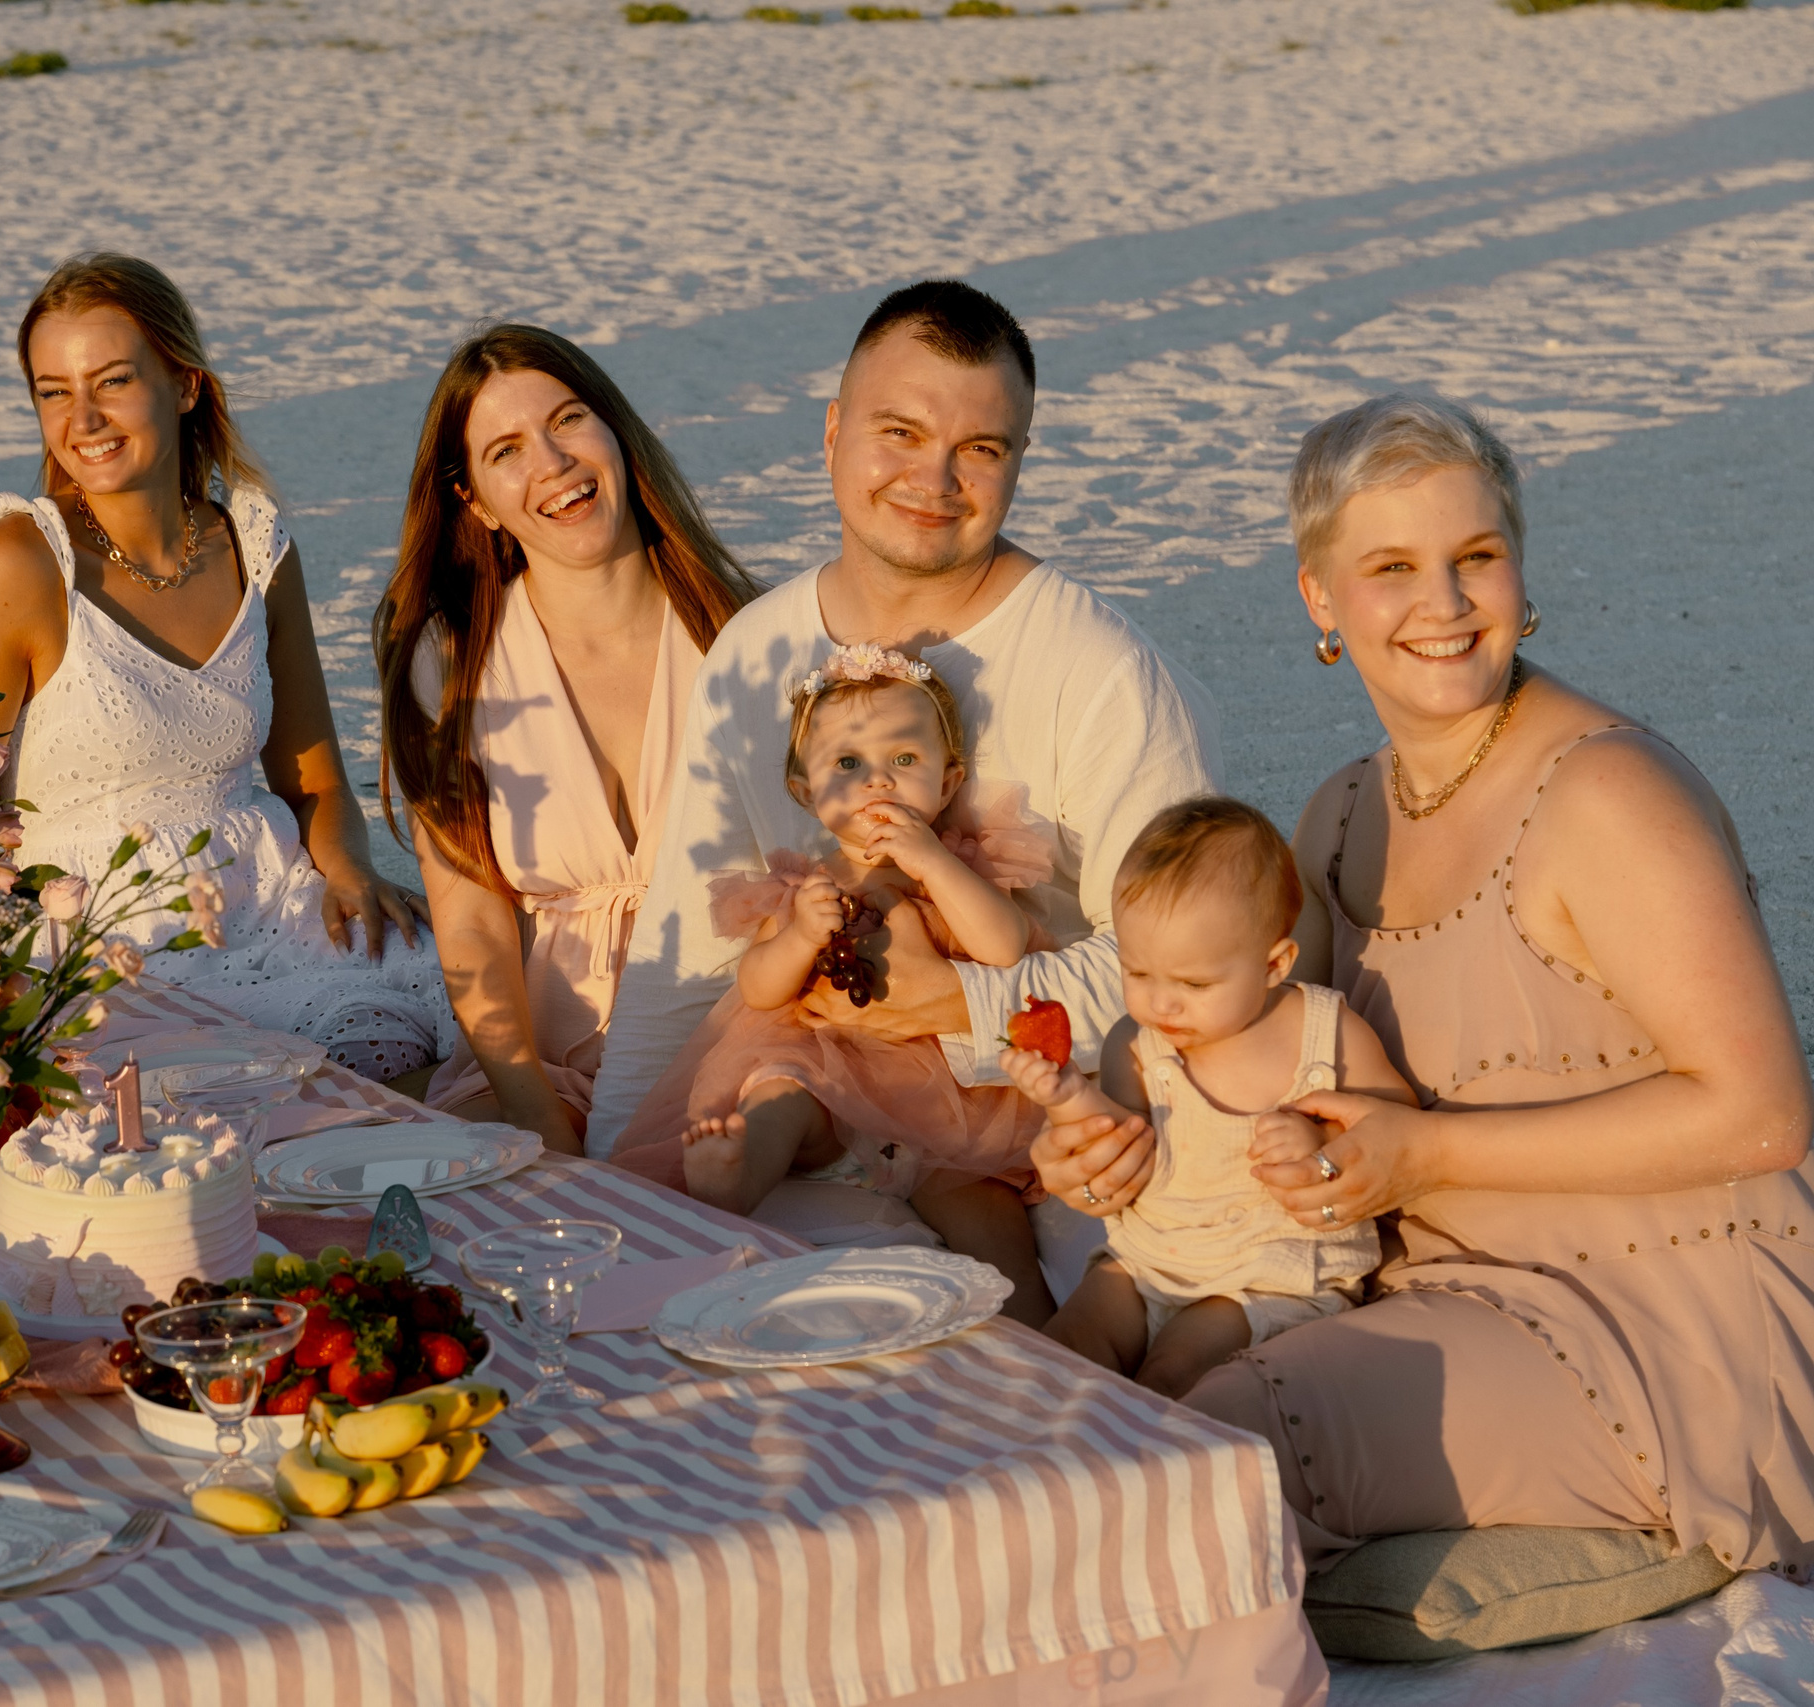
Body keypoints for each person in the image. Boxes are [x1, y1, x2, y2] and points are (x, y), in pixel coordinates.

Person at [1161, 393, 1814, 1579]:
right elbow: (1260, 1056)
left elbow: (1762, 1116)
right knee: (1121, 1378)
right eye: (1391, 566)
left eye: (1475, 558)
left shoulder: (1608, 796)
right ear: (1319, 597)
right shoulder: (1336, 816)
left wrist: (1426, 1153)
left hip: (1668, 1318)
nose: (1444, 605)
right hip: (1441, 1290)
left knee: (1218, 1448)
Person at [586, 279, 1220, 1320]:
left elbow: (1182, 977)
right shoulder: (756, 652)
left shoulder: (1102, 671)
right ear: (833, 433)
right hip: (810, 1119)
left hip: (1032, 1136)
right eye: (899, 431)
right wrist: (615, 1176)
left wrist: (962, 1005)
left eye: (982, 448)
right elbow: (684, 945)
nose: (936, 478)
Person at [0, 254, 447, 1082]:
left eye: (112, 381)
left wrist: (350, 868)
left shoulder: (254, 545)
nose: (83, 419)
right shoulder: (21, 561)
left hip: (266, 895)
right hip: (102, 932)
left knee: (411, 1027)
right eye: (53, 390)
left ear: (184, 386)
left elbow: (312, 775)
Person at [373, 325, 758, 1151]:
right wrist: (535, 1114)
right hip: (541, 1066)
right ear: (474, 499)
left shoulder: (744, 635)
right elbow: (472, 925)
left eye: (569, 419)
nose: (551, 462)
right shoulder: (451, 665)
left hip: (733, 1048)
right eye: (506, 449)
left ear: (616, 434)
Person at [611, 643, 1054, 1234]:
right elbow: (759, 989)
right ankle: (734, 1179)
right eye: (847, 764)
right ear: (805, 791)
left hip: (945, 1112)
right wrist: (797, 939)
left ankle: (1033, 1320)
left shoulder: (961, 869)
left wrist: (932, 864)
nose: (876, 781)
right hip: (825, 1089)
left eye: (903, 758)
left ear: (947, 784)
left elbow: (1004, 947)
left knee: (990, 1216)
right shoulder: (806, 886)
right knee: (776, 1087)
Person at [1003, 798, 1410, 1398]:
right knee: (1059, 1354)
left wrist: (1323, 1140)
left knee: (1173, 1372)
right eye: (1138, 974)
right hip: (1149, 1262)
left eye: (1194, 983)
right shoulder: (1137, 1047)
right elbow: (1122, 1150)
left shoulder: (1324, 1034)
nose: (1162, 1004)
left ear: (1274, 964)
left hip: (1271, 1277)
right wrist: (1066, 1098)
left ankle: (1152, 1474)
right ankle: (1045, 1463)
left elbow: (1398, 1127)